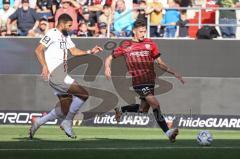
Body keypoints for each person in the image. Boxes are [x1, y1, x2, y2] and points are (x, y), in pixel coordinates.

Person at [105, 20, 185, 143]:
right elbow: (109, 57)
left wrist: (173, 72)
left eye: (144, 31)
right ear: (134, 31)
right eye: (141, 31)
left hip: (150, 80)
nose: (143, 34)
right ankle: (168, 132)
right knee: (155, 104)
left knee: (143, 110)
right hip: (138, 81)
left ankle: (121, 110)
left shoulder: (150, 43)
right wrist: (107, 67)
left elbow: (160, 63)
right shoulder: (126, 45)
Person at [29, 13, 103, 139]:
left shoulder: (66, 35)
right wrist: (45, 66)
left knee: (64, 108)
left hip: (63, 74)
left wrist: (90, 51)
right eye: (69, 25)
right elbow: (38, 50)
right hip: (56, 75)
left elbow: (73, 51)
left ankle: (39, 122)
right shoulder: (52, 33)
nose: (71, 27)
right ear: (62, 24)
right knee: (83, 94)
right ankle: (67, 122)